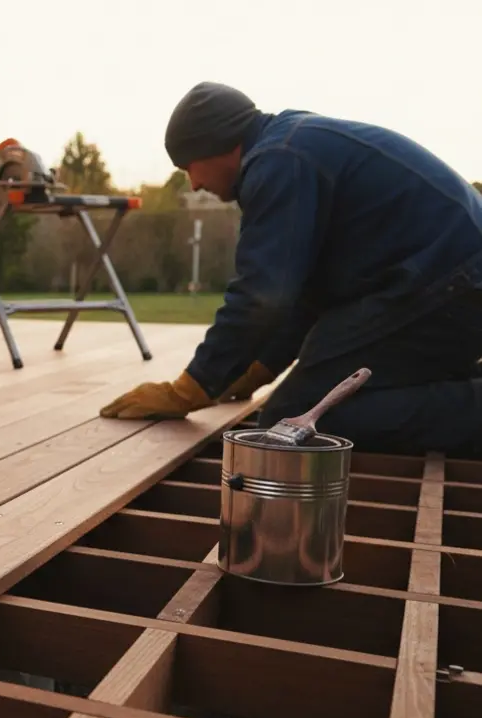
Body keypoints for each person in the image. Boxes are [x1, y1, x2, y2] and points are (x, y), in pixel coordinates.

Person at [99, 82, 482, 457]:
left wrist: (192, 388)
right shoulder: (293, 145)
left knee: (297, 420)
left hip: (449, 283)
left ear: (220, 144)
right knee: (307, 406)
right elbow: (305, 295)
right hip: (441, 282)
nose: (194, 183)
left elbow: (262, 295)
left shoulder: (279, 161)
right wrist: (258, 368)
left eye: (189, 166)